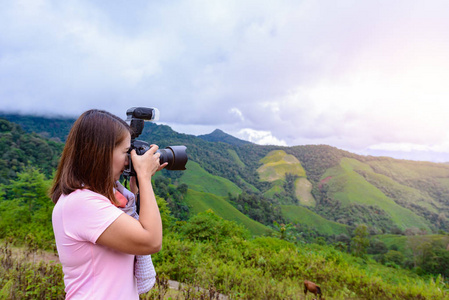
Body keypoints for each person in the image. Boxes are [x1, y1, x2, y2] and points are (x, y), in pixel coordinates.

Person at [51, 109, 167, 299]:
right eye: (125, 152)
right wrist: (145, 178)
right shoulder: (81, 204)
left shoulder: (96, 200)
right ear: (101, 154)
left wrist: (137, 188)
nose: (129, 160)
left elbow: (135, 225)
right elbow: (151, 241)